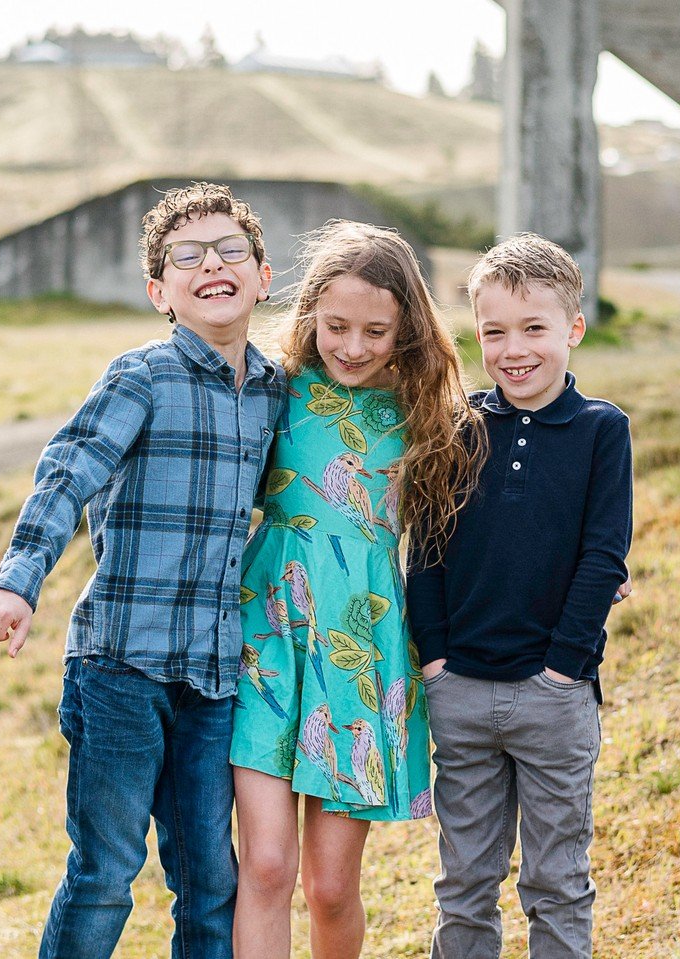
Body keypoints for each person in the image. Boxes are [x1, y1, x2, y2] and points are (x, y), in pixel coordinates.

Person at [0, 182, 287, 959]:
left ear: (263, 276)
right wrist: (16, 577)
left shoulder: (276, 392)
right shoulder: (141, 376)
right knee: (107, 867)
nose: (212, 264)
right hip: (118, 667)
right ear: (159, 291)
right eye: (188, 256)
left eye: (230, 250)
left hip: (212, 679)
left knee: (211, 878)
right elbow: (65, 474)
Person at [230, 220, 484, 959]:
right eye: (335, 325)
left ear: (405, 328)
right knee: (268, 864)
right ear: (309, 314)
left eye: (374, 330)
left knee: (331, 888)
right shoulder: (274, 393)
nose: (350, 344)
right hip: (268, 637)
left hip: (361, 649)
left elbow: (472, 536)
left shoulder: (429, 415)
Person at [408, 233, 635, 959]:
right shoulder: (456, 426)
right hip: (461, 690)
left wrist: (564, 669)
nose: (514, 349)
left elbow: (603, 556)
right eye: (494, 331)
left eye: (534, 328)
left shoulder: (602, 430)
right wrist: (436, 663)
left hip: (553, 695)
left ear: (572, 328)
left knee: (556, 880)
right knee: (464, 882)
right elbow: (428, 551)